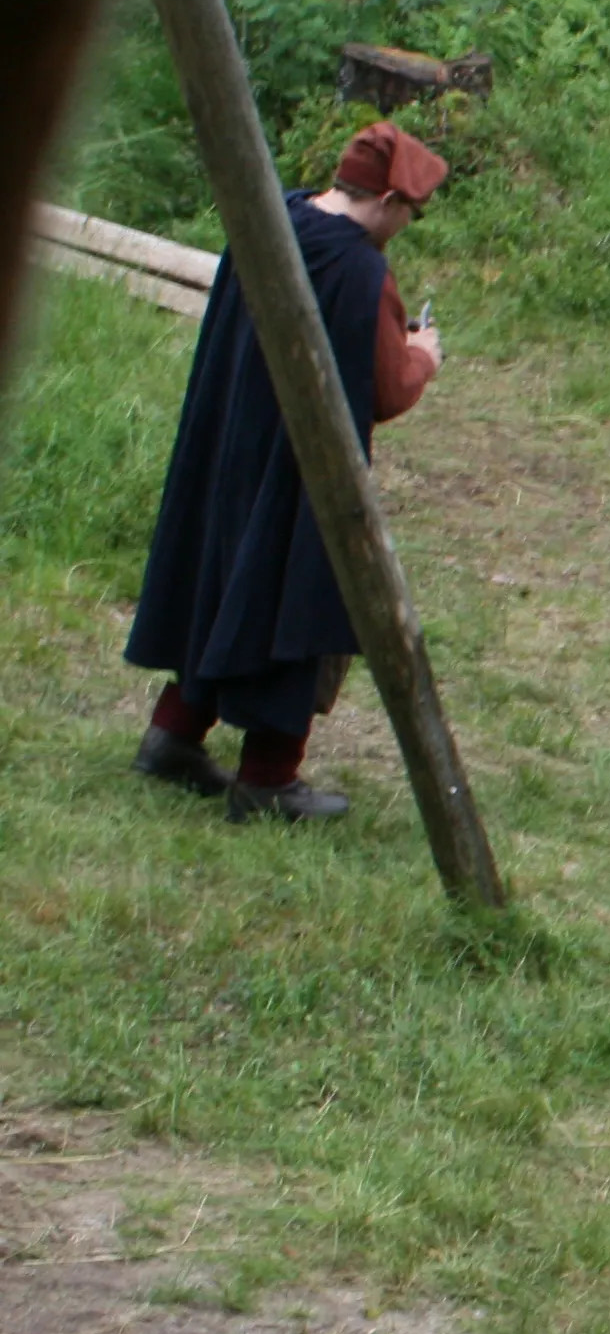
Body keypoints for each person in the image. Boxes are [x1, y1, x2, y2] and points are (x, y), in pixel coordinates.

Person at [124, 118, 450, 822]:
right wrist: (422, 355)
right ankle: (268, 778)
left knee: (222, 578)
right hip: (299, 468)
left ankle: (173, 735)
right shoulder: (358, 269)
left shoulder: (274, 219)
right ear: (388, 199)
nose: (406, 226)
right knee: (294, 600)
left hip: (230, 441)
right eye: (411, 212)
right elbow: (384, 388)